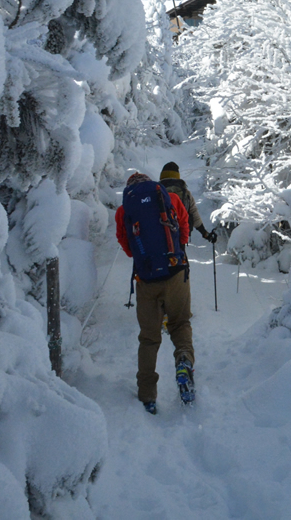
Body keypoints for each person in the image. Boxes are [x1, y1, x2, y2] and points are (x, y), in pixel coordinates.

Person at [116, 171, 195, 414]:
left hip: (147, 280)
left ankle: (147, 396)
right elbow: (184, 232)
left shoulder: (124, 210)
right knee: (180, 324)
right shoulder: (171, 198)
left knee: (149, 338)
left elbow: (128, 247)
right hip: (176, 275)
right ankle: (183, 363)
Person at [159, 162, 215, 243]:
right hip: (180, 234)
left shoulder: (156, 192)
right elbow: (194, 214)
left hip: (161, 233)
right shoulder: (185, 193)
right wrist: (205, 233)